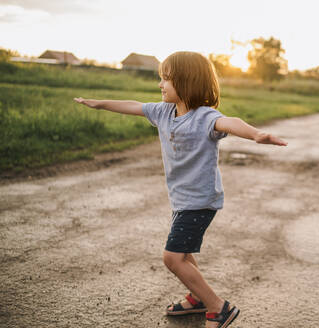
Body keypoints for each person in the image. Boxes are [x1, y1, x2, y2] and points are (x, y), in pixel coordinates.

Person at [74, 51, 287, 328]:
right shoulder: (163, 112)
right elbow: (133, 105)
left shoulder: (204, 117)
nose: (160, 85)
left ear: (187, 82)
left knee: (172, 258)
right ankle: (197, 298)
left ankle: (217, 307)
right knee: (184, 254)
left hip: (200, 201)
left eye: (166, 79)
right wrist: (99, 104)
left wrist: (257, 134)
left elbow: (230, 122)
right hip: (181, 199)